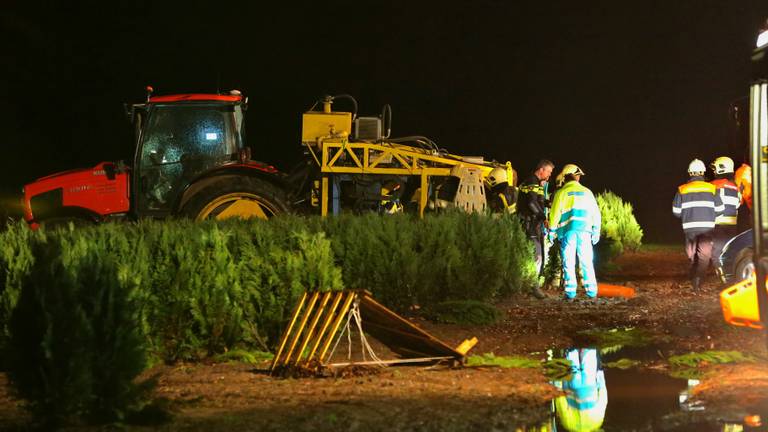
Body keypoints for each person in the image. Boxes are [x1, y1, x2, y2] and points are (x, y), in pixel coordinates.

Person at [548, 164, 601, 300]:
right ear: (575, 177)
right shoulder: (587, 192)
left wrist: (552, 232)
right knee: (587, 261)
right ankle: (592, 292)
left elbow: (554, 215)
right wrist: (596, 230)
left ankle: (570, 292)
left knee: (568, 262)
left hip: (568, 232)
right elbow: (596, 213)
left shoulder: (561, 193)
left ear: (565, 177)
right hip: (585, 231)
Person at [672, 159, 724, 291]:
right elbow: (720, 209)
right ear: (703, 172)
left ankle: (693, 276)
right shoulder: (712, 188)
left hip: (689, 228)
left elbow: (676, 212)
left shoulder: (682, 189)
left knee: (691, 254)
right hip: (707, 227)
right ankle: (698, 280)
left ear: (689, 173)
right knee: (704, 256)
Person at [518, 159, 555, 299]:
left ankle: (530, 286)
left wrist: (547, 202)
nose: (549, 175)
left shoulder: (533, 182)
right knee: (537, 256)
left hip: (530, 223)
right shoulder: (532, 181)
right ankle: (533, 287)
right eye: (549, 172)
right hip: (531, 225)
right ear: (541, 170)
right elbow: (532, 203)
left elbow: (536, 200)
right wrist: (542, 217)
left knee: (534, 255)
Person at [709, 156, 741, 277]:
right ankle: (729, 271)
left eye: (715, 168)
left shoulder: (713, 185)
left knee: (717, 251)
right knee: (729, 249)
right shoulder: (735, 187)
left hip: (718, 223)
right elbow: (738, 204)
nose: (713, 171)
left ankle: (722, 275)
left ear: (721, 169)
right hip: (732, 223)